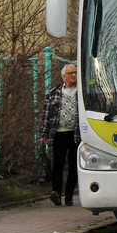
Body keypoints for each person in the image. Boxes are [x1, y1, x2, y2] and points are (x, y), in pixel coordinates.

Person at [41, 63, 79, 206]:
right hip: (59, 133)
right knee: (58, 164)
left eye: (75, 72)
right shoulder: (54, 92)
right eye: (70, 73)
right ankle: (56, 192)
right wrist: (43, 134)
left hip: (76, 134)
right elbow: (45, 114)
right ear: (64, 76)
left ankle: (69, 195)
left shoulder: (81, 92)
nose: (73, 75)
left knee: (74, 165)